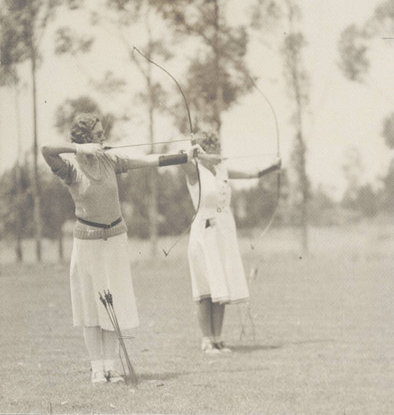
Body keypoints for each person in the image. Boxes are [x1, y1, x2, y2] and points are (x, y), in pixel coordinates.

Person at [41, 113, 201, 383]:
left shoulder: (110, 159)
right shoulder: (70, 169)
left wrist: (184, 156)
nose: (103, 138)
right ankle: (96, 368)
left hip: (115, 239)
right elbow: (46, 151)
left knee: (115, 302)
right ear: (85, 139)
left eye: (103, 133)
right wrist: (79, 150)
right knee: (92, 307)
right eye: (98, 135)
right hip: (87, 243)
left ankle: (111, 367)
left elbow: (149, 160)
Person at [182, 129, 281, 354]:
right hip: (203, 233)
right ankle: (206, 339)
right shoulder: (193, 170)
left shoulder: (221, 169)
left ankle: (218, 338)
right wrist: (194, 153)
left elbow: (252, 174)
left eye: (217, 146)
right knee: (205, 289)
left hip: (224, 232)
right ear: (204, 149)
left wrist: (273, 166)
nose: (218, 152)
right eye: (213, 147)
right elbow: (183, 159)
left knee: (221, 286)